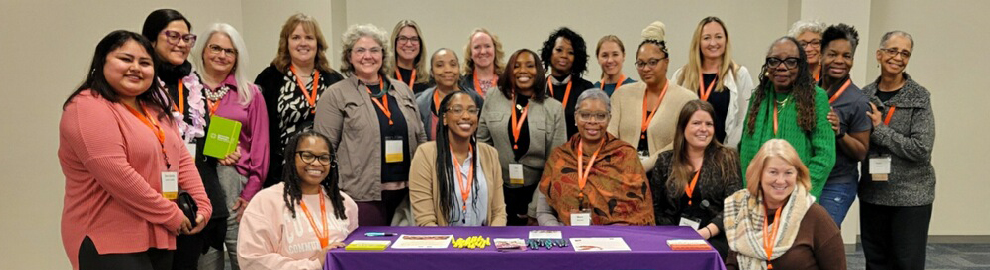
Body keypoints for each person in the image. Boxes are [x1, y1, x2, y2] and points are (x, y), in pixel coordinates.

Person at [60, 30, 212, 270]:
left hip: (160, 235)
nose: (136, 68)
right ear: (102, 62)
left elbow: (181, 158)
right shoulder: (87, 107)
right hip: (108, 239)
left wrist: (203, 204)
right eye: (125, 59)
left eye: (145, 63)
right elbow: (119, 176)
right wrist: (172, 215)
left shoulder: (155, 107)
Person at [141, 9, 232, 270]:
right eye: (173, 36)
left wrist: (222, 150)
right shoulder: (142, 85)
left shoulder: (193, 84)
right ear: (151, 39)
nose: (181, 44)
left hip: (199, 191)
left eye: (187, 38)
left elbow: (203, 136)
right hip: (159, 194)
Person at [315, 24, 427, 226]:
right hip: (361, 196)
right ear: (349, 57)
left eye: (374, 50)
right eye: (360, 50)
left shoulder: (402, 90)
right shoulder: (336, 94)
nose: (368, 56)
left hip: (408, 193)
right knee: (371, 254)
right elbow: (324, 149)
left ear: (383, 56)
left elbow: (421, 138)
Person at [190, 23, 270, 270]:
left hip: (237, 185)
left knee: (242, 256)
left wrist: (251, 192)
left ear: (237, 57)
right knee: (207, 256)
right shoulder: (188, 90)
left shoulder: (250, 93)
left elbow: (261, 145)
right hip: (198, 181)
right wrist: (212, 155)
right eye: (215, 48)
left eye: (229, 51)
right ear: (203, 50)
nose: (221, 55)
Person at [859, 31, 935, 270]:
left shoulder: (919, 97)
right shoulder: (864, 95)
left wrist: (881, 129)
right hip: (873, 192)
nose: (898, 57)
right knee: (875, 262)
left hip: (911, 196)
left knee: (906, 264)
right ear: (879, 55)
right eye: (893, 51)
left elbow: (921, 148)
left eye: (905, 53)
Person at [237, 131, 358, 270]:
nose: (316, 163)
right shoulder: (265, 202)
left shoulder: (344, 203)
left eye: (324, 158)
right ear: (291, 158)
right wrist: (315, 264)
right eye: (307, 156)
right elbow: (252, 261)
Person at [537, 89, 654, 226]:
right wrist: (561, 234)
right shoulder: (560, 157)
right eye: (585, 115)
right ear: (575, 117)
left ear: (609, 119)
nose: (592, 121)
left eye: (600, 116)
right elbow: (544, 211)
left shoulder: (625, 155)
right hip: (568, 238)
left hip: (615, 239)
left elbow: (640, 212)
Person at [724, 139, 845, 270]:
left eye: (788, 172)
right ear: (759, 174)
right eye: (773, 172)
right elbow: (733, 263)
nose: (781, 181)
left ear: (797, 175)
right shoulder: (743, 209)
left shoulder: (815, 216)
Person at [477, 49, 566, 226]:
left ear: (539, 71)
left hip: (536, 191)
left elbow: (555, 163)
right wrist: (489, 195)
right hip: (497, 189)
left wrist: (535, 207)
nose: (523, 71)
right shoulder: (494, 97)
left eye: (530, 66)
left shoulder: (553, 108)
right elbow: (482, 145)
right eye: (516, 66)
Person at [255, 14, 345, 188]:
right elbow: (252, 122)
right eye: (296, 37)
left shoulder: (334, 80)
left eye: (309, 38)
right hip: (281, 173)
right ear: (286, 43)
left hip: (325, 172)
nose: (303, 43)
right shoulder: (269, 79)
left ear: (318, 43)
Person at [738, 37, 835, 198]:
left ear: (801, 65)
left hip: (798, 196)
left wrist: (801, 192)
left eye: (791, 61)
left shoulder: (816, 97)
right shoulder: (758, 97)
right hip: (759, 196)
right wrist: (752, 190)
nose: (781, 67)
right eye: (774, 61)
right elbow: (746, 149)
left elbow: (825, 155)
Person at [650, 100, 741, 259]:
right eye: (696, 123)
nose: (703, 129)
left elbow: (734, 205)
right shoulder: (665, 161)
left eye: (709, 124)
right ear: (683, 127)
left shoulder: (727, 158)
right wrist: (674, 235)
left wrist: (705, 233)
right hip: (671, 235)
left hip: (714, 236)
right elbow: (655, 206)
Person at [608, 21, 698, 171]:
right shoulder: (621, 95)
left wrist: (643, 167)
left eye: (653, 62)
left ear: (666, 62)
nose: (646, 69)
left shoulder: (686, 99)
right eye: (641, 64)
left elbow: (678, 142)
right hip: (622, 172)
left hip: (665, 174)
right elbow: (610, 137)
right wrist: (625, 166)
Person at [409, 92, 507, 226]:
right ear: (444, 118)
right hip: (443, 242)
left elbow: (499, 213)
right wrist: (449, 245)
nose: (466, 116)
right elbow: (425, 220)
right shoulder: (425, 154)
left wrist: (488, 243)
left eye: (472, 111)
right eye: (457, 110)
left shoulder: (490, 154)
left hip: (484, 242)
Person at [817, 24, 871, 227]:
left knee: (824, 237)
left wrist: (840, 133)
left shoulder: (857, 101)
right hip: (811, 178)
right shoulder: (811, 92)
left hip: (837, 183)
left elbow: (861, 152)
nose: (839, 61)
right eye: (833, 54)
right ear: (821, 55)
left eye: (846, 56)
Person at [672, 16, 754, 148]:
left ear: (726, 40)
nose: (713, 43)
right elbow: (674, 117)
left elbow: (744, 119)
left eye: (718, 37)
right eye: (706, 38)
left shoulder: (739, 75)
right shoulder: (681, 76)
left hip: (724, 155)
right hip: (689, 154)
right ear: (698, 42)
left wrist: (728, 153)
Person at [415, 48, 484, 141]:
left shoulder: (475, 99)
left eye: (453, 65)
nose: (448, 70)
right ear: (432, 72)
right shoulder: (422, 103)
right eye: (440, 65)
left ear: (459, 69)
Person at [541, 27, 596, 138]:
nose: (564, 56)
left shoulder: (586, 89)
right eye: (559, 50)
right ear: (550, 52)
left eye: (570, 52)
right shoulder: (538, 87)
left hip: (576, 152)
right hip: (543, 152)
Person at [389, 20, 431, 94]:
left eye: (414, 39)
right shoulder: (384, 79)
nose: (409, 44)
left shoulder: (429, 82)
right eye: (403, 38)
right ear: (395, 42)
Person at [460, 28, 505, 98]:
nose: (483, 52)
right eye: (477, 47)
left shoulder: (507, 81)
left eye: (487, 46)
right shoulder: (461, 84)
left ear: (495, 50)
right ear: (470, 53)